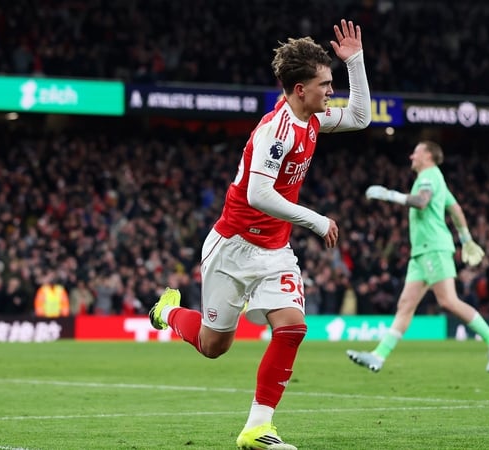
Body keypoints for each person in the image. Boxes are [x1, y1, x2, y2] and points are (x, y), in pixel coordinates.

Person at [148, 19, 371, 450]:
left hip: (274, 250)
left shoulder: (312, 121)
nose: (331, 91)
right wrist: (316, 219)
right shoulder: (277, 131)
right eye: (324, 84)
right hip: (232, 246)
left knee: (292, 327)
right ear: (299, 89)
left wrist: (355, 62)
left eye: (332, 82)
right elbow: (258, 193)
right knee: (214, 347)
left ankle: (257, 428)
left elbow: (361, 116)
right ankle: (167, 312)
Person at [346, 140, 489, 373]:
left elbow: (421, 202)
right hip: (421, 252)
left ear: (428, 156)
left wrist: (389, 194)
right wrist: (466, 240)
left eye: (416, 152)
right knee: (405, 305)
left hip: (433, 247)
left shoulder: (429, 175)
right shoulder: (436, 177)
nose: (412, 156)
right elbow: (456, 209)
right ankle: (378, 356)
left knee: (448, 301)